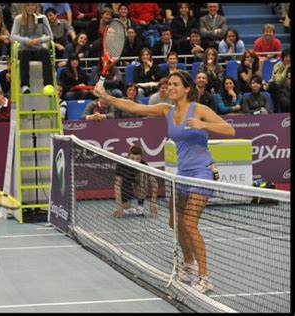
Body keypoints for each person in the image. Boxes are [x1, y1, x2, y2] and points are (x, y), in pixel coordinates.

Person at [94, 69, 236, 294]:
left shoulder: (199, 109)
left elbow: (230, 129)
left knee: (189, 224)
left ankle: (205, 276)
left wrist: (203, 125)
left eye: (175, 84)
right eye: (169, 84)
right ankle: (188, 263)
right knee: (175, 222)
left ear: (187, 89)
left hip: (202, 172)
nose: (170, 88)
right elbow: (134, 107)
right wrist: (106, 97)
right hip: (183, 173)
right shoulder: (166, 110)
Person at [10, 3, 54, 95]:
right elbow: (13, 36)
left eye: (32, 5)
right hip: (25, 49)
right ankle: (25, 85)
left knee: (45, 52)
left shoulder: (42, 18)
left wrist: (40, 40)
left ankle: (48, 84)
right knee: (24, 52)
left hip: (38, 48)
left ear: (36, 6)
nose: (30, 7)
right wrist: (26, 41)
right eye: (28, 5)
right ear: (24, 7)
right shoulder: (19, 19)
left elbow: (50, 36)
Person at [114, 145, 158, 218]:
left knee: (143, 175)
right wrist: (119, 206)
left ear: (141, 158)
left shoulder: (143, 165)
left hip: (138, 182)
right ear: (128, 156)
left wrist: (153, 202)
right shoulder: (121, 164)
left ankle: (140, 207)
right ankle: (127, 208)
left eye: (138, 159)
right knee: (126, 207)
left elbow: (154, 183)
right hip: (125, 184)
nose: (135, 161)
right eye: (132, 158)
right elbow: (117, 185)